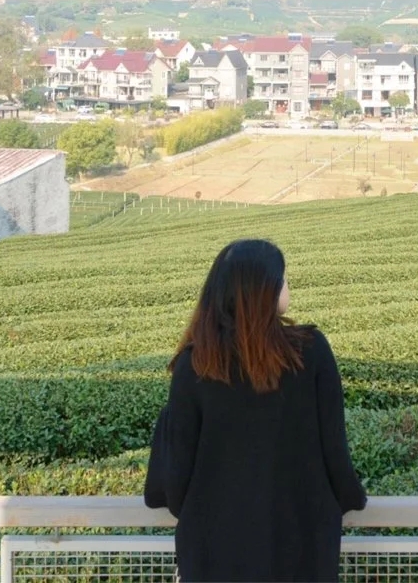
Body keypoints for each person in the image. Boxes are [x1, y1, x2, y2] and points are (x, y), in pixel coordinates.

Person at [145, 238, 367, 582]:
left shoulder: (196, 364)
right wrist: (347, 499)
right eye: (282, 279)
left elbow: (176, 482)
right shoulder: (311, 352)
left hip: (215, 552)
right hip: (300, 545)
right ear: (263, 290)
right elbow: (334, 447)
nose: (287, 285)